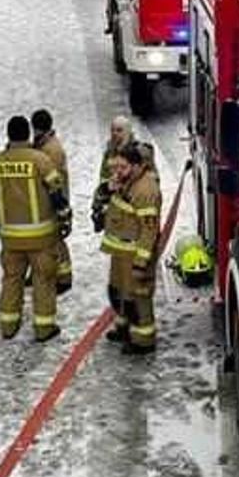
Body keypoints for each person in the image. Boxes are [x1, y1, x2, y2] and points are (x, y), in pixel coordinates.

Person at [0, 115, 68, 341]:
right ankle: (44, 328)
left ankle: (8, 325)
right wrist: (64, 218)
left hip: (10, 237)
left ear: (9, 135)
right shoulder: (40, 160)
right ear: (28, 133)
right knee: (43, 280)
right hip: (41, 237)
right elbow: (56, 193)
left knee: (12, 279)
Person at [100, 144, 162, 354]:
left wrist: (141, 263)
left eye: (123, 168)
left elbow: (149, 230)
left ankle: (143, 341)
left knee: (138, 299)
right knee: (119, 292)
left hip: (135, 254)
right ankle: (124, 328)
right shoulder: (125, 182)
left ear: (137, 166)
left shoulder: (145, 189)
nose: (118, 172)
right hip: (121, 252)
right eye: (116, 167)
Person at [30, 109, 75, 294]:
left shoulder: (51, 149)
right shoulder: (45, 145)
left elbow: (52, 179)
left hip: (54, 200)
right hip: (48, 199)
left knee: (56, 239)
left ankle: (64, 278)